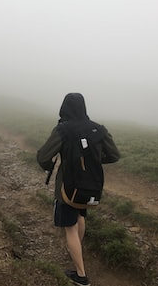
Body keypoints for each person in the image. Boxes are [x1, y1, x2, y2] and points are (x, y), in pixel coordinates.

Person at [37, 93, 120, 286]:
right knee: (80, 216)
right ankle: (77, 255)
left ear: (64, 107)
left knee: (70, 228)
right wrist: (93, 161)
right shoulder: (98, 129)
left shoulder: (63, 129)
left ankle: (81, 276)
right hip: (90, 184)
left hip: (67, 187)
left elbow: (43, 157)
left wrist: (50, 164)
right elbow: (114, 155)